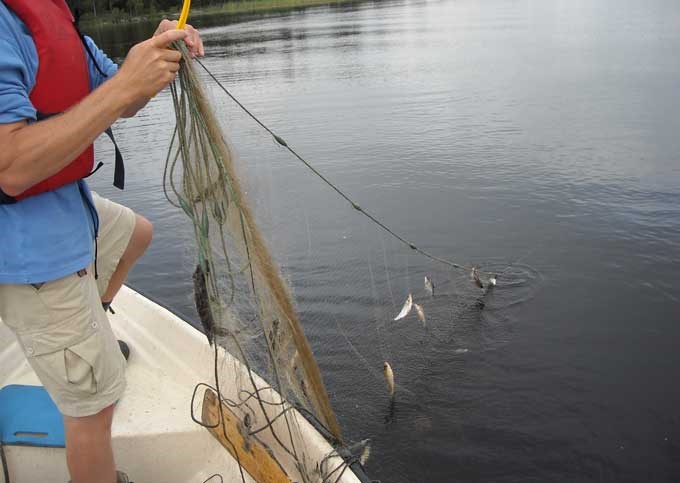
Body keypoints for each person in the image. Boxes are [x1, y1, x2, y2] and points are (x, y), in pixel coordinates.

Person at [0, 1, 204, 482]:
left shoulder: (52, 14)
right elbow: (9, 167)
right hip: (31, 253)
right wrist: (123, 88)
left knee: (137, 233)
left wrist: (156, 53)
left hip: (66, 211)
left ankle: (89, 336)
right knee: (93, 412)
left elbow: (122, 94)